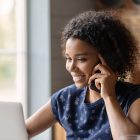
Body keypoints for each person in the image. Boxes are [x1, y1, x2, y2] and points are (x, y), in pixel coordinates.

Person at [26, 10, 140, 140]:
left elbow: (128, 139)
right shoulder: (65, 98)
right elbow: (22, 131)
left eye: (81, 59)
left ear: (107, 59)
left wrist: (109, 97)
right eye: (69, 59)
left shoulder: (134, 99)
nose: (71, 67)